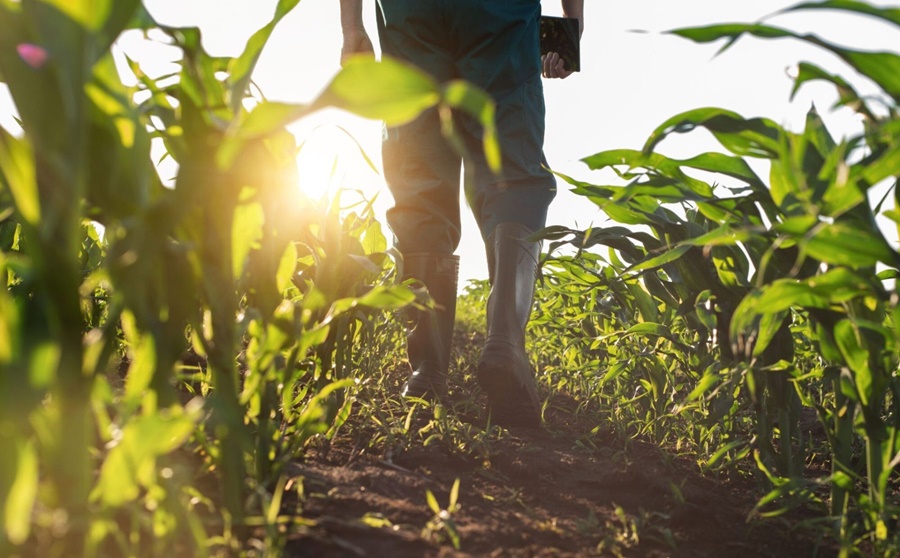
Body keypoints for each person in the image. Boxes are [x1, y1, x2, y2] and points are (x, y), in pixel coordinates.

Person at [339, 0, 584, 428]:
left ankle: (427, 371)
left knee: (418, 174)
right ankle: (506, 345)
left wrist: (351, 26)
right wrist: (572, 26)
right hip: (497, 13)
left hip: (409, 13)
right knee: (513, 171)